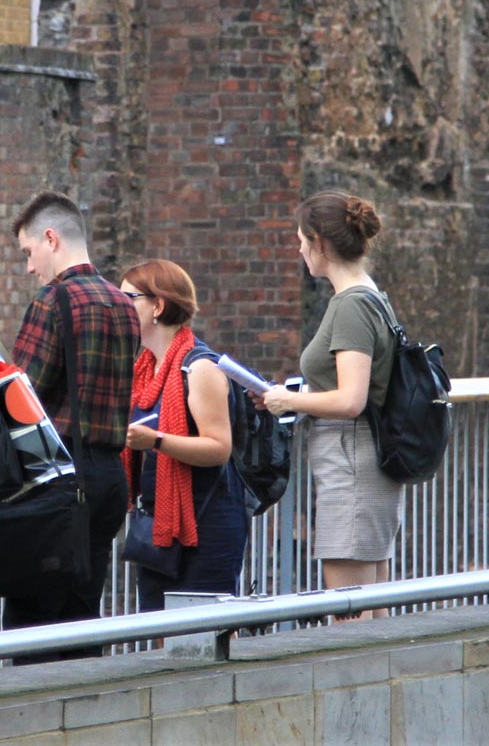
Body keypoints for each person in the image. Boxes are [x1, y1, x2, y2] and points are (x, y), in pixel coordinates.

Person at [6, 190, 140, 659]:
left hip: (58, 484)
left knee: (32, 625)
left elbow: (20, 401)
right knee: (82, 615)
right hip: (108, 478)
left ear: (50, 238)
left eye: (28, 253)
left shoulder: (53, 301)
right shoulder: (123, 304)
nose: (28, 267)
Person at [258, 190, 402, 620]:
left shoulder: (352, 306)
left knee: (348, 617)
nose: (299, 248)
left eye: (303, 238)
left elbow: (351, 398)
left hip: (351, 463)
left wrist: (288, 399)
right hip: (362, 461)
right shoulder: (371, 294)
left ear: (321, 242)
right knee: (372, 612)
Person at [120, 259, 249, 612]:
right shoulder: (145, 369)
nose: (120, 307)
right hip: (159, 526)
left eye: (128, 298)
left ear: (158, 305)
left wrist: (156, 441)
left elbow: (219, 448)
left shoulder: (200, 367)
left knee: (201, 637)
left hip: (205, 526)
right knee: (160, 632)